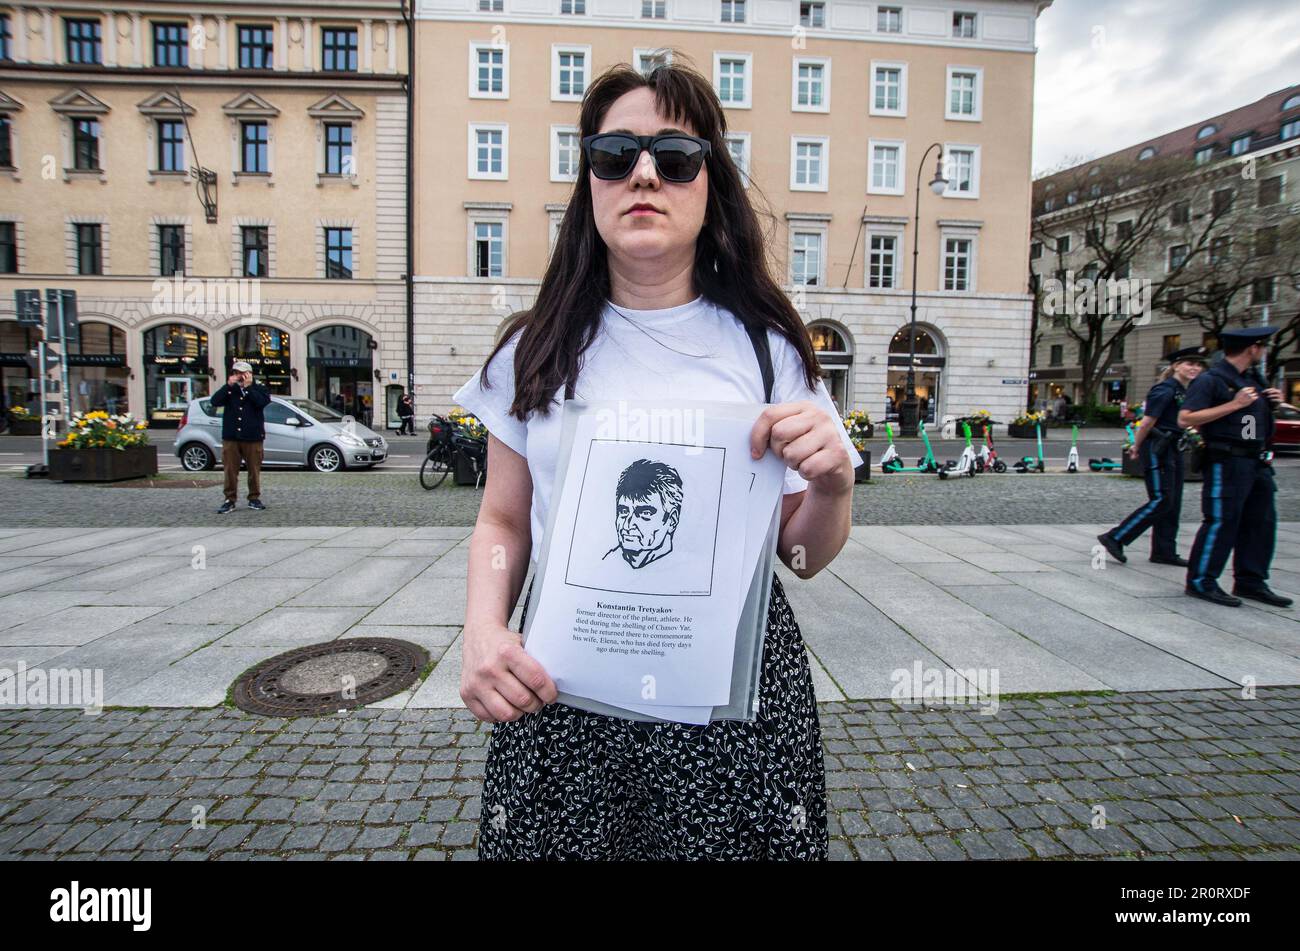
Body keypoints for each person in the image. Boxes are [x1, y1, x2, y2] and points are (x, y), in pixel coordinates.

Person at [451, 60, 862, 861]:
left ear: (710, 183)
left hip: (730, 694)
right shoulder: (533, 350)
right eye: (616, 154)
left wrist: (835, 484)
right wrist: (481, 627)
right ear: (590, 181)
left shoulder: (768, 346)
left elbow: (801, 553)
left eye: (675, 155)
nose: (644, 173)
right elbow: (502, 519)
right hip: (563, 691)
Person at [1179, 326, 1292, 608]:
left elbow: (1252, 420)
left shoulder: (1253, 377)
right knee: (1221, 521)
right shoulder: (1212, 380)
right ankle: (1201, 581)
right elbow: (1187, 418)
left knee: (1261, 522)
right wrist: (1233, 405)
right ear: (1252, 348)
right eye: (1262, 347)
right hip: (1227, 460)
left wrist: (1273, 404)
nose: (1263, 352)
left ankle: (1250, 580)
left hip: (1256, 461)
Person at [1096, 347, 1206, 566]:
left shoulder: (1184, 390)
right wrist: (1135, 446)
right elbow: (1146, 422)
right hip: (1157, 447)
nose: (1194, 368)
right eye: (1189, 363)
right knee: (1162, 499)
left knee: (1173, 501)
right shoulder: (1164, 389)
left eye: (1198, 364)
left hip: (1172, 447)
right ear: (1176, 366)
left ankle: (1164, 551)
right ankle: (1115, 537)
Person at [209, 360, 271, 514]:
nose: (239, 376)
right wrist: (228, 386)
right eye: (236, 373)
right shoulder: (230, 390)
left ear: (249, 374)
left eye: (242, 373)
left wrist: (249, 387)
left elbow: (262, 402)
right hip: (232, 436)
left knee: (254, 469)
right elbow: (215, 401)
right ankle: (229, 499)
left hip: (253, 436)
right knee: (230, 470)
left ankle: (254, 498)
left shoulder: (259, 388)